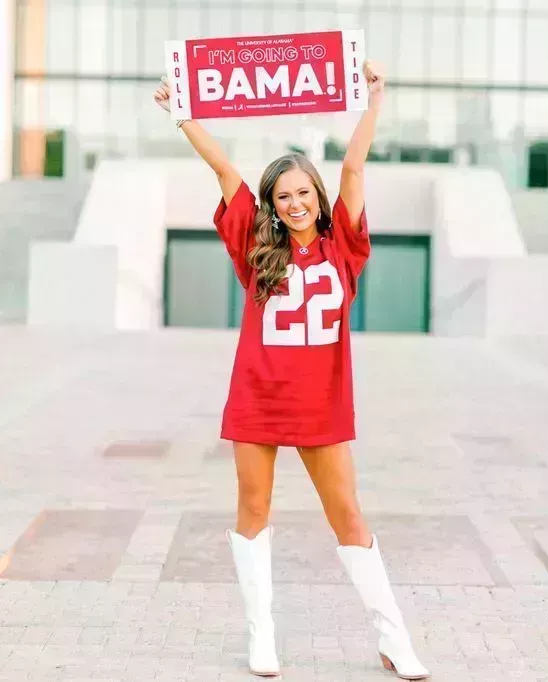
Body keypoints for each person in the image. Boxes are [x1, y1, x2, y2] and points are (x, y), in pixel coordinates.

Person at [153, 62, 430, 681]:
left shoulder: (345, 246)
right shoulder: (253, 240)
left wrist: (374, 102)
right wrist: (181, 112)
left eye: (305, 191)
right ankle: (262, 635)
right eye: (285, 196)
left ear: (319, 196)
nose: (296, 201)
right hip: (257, 397)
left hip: (321, 402)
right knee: (253, 510)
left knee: (349, 517)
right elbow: (225, 171)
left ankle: (394, 639)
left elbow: (354, 168)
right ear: (273, 206)